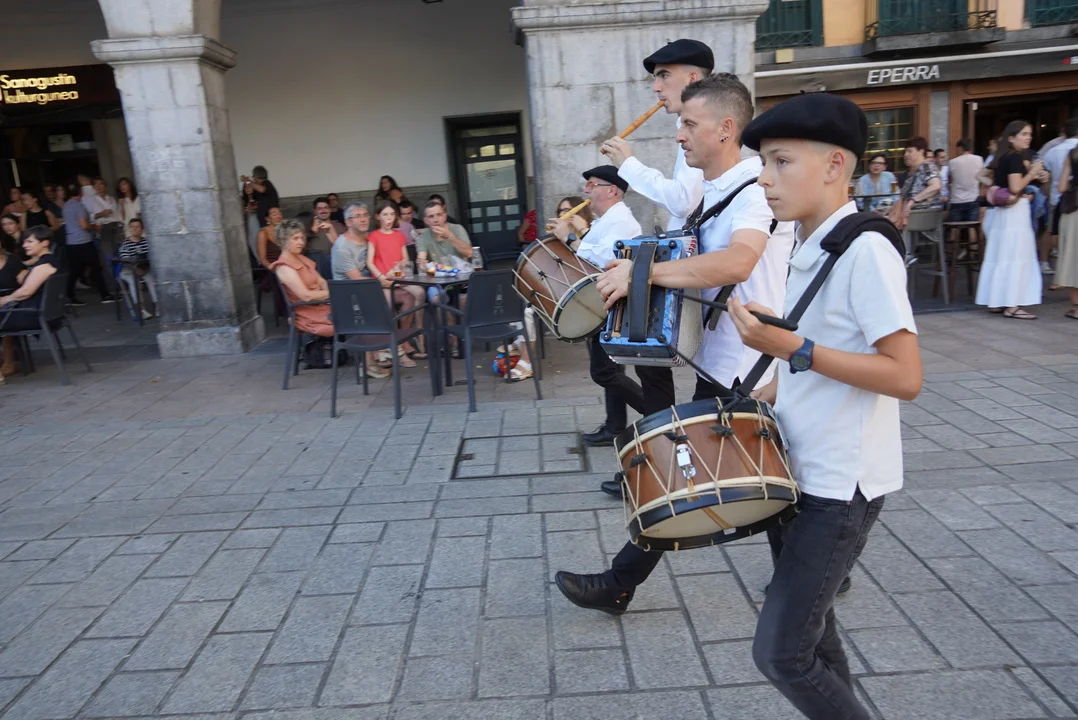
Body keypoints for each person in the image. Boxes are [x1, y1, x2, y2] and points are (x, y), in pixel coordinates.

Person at [713, 90, 922, 720]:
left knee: (782, 654)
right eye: (763, 163)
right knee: (813, 636)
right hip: (802, 470)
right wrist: (766, 391)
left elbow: (905, 375)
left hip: (841, 483)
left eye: (781, 162)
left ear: (835, 165)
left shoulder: (866, 250)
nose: (765, 179)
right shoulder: (812, 244)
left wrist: (793, 349)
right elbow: (823, 357)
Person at [555, 76, 797, 613]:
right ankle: (811, 574)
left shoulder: (752, 191)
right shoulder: (715, 192)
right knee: (759, 470)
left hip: (749, 362)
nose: (679, 135)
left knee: (685, 472)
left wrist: (647, 273)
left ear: (726, 128)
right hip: (728, 358)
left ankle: (618, 584)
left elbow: (738, 262)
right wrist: (630, 265)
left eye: (689, 124)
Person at [548, 166, 644, 450]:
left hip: (617, 303)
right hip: (603, 301)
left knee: (604, 372)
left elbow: (605, 258)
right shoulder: (606, 220)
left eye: (592, 185)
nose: (586, 191)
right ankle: (614, 427)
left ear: (612, 190)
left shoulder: (622, 220)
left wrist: (569, 238)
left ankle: (658, 414)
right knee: (611, 369)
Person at [975, 120, 1046, 320]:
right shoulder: (1015, 158)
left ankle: (997, 300)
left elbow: (982, 176)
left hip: (1001, 213)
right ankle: (1012, 305)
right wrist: (1031, 174)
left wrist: (996, 189)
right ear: (1012, 138)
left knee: (1001, 256)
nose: (1028, 137)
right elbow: (1015, 187)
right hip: (1015, 214)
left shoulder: (1002, 157)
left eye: (1029, 134)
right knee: (1015, 255)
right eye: (1024, 134)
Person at [331, 203, 389, 378]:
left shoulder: (370, 239)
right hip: (349, 296)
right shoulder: (342, 247)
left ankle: (394, 347)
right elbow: (357, 280)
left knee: (409, 296)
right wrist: (383, 282)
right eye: (358, 216)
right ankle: (369, 362)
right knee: (375, 304)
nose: (363, 219)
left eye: (365, 214)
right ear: (348, 222)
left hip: (370, 288)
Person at [271, 219, 338, 366]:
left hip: (323, 305)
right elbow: (306, 296)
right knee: (358, 317)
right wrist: (333, 294)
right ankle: (370, 360)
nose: (301, 242)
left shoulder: (301, 258)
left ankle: (372, 358)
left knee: (361, 310)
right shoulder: (283, 267)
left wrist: (329, 292)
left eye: (302, 238)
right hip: (308, 313)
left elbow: (321, 281)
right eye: (295, 238)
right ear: (283, 241)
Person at [367, 200, 424, 364]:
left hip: (398, 277)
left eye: (392, 214)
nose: (389, 218)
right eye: (385, 214)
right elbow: (369, 262)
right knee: (389, 302)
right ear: (378, 216)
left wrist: (397, 269)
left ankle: (414, 333)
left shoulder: (399, 235)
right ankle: (398, 347)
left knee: (419, 293)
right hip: (382, 280)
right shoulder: (374, 236)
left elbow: (405, 258)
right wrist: (381, 277)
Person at [0, 227, 64, 372]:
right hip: (45, 313)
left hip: (34, 315)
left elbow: (26, 292)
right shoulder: (47, 261)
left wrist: (4, 299)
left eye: (29, 242)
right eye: (25, 242)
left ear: (44, 243)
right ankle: (8, 359)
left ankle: (7, 363)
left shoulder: (45, 265)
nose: (24, 245)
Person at [62, 190, 113, 306]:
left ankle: (69, 296)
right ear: (80, 193)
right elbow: (84, 225)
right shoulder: (79, 206)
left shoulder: (66, 206)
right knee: (96, 267)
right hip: (83, 241)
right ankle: (105, 295)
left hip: (71, 242)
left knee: (75, 270)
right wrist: (95, 228)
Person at [1041, 118, 1078, 275]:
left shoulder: (1052, 151)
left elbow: (1046, 177)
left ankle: (1045, 262)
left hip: (1057, 198)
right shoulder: (1073, 151)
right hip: (1074, 199)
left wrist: (1047, 193)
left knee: (1051, 231)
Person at [890, 137, 942, 232]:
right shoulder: (911, 173)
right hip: (915, 214)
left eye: (909, 151)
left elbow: (936, 186)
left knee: (888, 223)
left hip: (924, 215)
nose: (905, 155)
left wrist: (912, 201)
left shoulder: (926, 166)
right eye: (905, 152)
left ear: (921, 152)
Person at [116, 218, 157, 319]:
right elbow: (125, 260)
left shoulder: (146, 242)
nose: (134, 229)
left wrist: (144, 269)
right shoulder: (125, 244)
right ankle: (141, 309)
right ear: (129, 229)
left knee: (152, 280)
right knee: (134, 282)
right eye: (132, 227)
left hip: (144, 268)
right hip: (128, 269)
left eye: (137, 227)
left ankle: (157, 306)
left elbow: (151, 256)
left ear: (142, 229)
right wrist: (136, 269)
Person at [1055, 144, 1078, 319]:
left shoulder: (1073, 154)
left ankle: (1077, 308)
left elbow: (1061, 187)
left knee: (1072, 258)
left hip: (1074, 213)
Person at [84, 177, 124, 259]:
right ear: (93, 187)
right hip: (103, 227)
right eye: (96, 184)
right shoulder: (90, 200)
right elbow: (88, 216)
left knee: (120, 250)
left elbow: (116, 213)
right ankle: (110, 266)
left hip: (115, 226)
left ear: (105, 186)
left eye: (101, 184)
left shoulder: (111, 198)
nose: (98, 186)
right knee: (108, 254)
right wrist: (100, 214)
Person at [307, 197, 345, 278]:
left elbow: (345, 247)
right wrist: (312, 230)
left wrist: (332, 229)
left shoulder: (338, 225)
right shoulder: (309, 227)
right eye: (319, 208)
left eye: (326, 207)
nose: (323, 211)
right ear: (315, 211)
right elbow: (301, 245)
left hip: (335, 262)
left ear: (330, 209)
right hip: (316, 264)